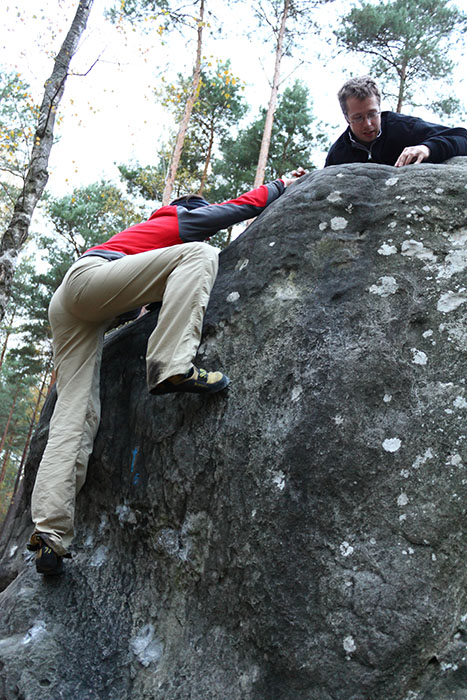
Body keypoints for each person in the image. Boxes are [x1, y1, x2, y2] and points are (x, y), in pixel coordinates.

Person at [27, 171, 305, 575]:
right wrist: (280, 186)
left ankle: (49, 534)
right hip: (88, 281)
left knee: (74, 414)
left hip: (71, 303)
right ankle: (172, 366)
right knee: (200, 255)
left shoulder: (139, 242)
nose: (201, 224)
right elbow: (236, 210)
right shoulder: (173, 219)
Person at [325, 75, 467, 168]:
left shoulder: (405, 128)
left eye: (372, 114)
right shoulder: (337, 154)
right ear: (346, 118)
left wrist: (427, 148)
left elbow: (462, 137)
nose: (368, 124)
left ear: (380, 108)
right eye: (358, 117)